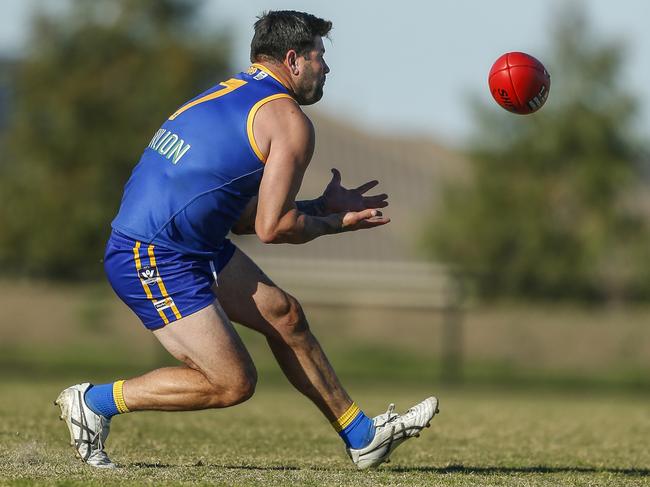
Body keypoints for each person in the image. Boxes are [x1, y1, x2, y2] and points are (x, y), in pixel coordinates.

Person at [55, 10, 438, 470]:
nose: (327, 68)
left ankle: (363, 437)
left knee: (285, 315)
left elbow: (241, 219)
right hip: (153, 254)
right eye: (321, 57)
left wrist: (320, 206)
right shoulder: (288, 120)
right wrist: (340, 223)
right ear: (294, 60)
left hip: (190, 245)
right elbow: (272, 228)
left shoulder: (228, 94)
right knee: (232, 382)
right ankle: (94, 402)